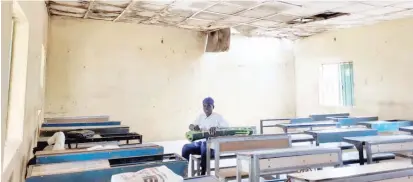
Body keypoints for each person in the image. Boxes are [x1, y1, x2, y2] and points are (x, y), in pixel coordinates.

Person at [181, 97, 228, 175]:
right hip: (201, 145)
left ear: (213, 107)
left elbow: (227, 127)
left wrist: (217, 128)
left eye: (209, 106)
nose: (206, 108)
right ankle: (183, 173)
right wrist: (193, 127)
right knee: (186, 147)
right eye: (204, 106)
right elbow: (191, 125)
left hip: (213, 148)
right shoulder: (201, 116)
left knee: (205, 144)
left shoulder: (218, 117)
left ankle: (203, 173)